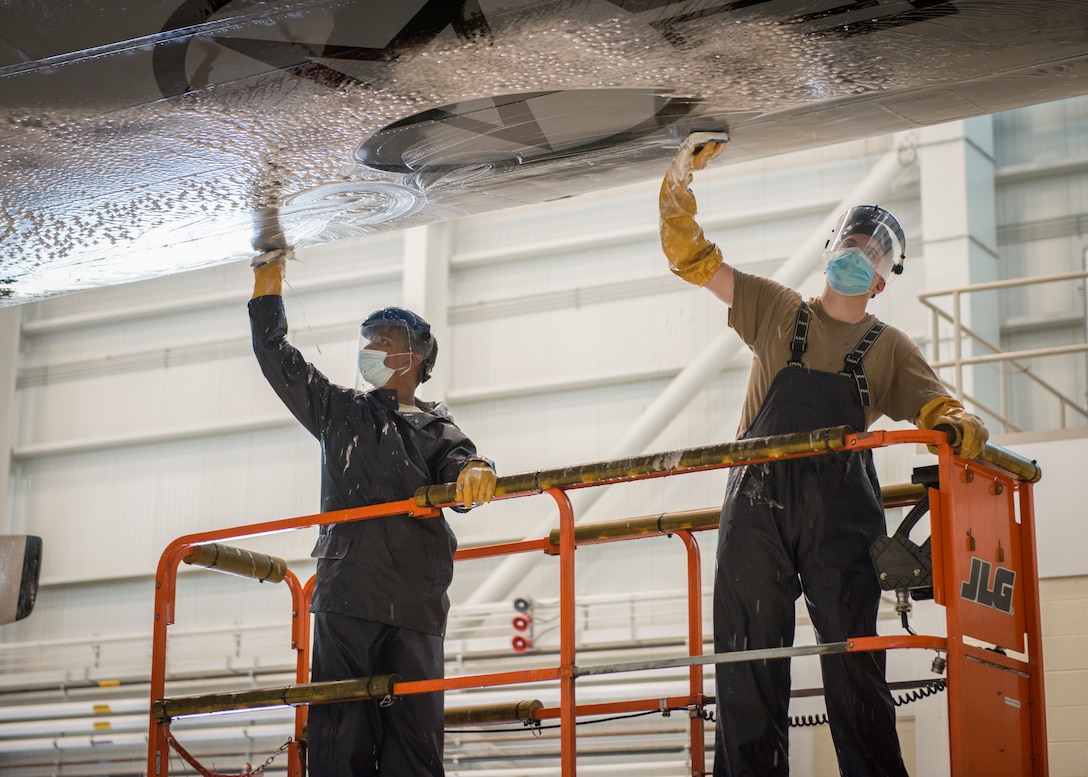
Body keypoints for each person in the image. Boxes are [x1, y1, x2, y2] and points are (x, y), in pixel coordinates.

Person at [658, 135, 988, 777]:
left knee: (856, 668)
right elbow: (693, 259)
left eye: (875, 252)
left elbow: (935, 406)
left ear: (885, 279)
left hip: (840, 517)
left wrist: (956, 421)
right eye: (854, 241)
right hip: (757, 509)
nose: (859, 254)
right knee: (747, 667)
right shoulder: (777, 309)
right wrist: (676, 187)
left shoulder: (889, 346)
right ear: (830, 248)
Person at [248, 248, 497, 776]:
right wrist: (267, 289)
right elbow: (277, 358)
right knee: (340, 740)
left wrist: (477, 469)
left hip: (416, 604)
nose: (373, 347)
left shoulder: (442, 432)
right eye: (370, 340)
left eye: (387, 340)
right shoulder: (339, 411)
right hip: (348, 597)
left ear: (418, 359)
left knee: (416, 742)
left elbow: (461, 472)